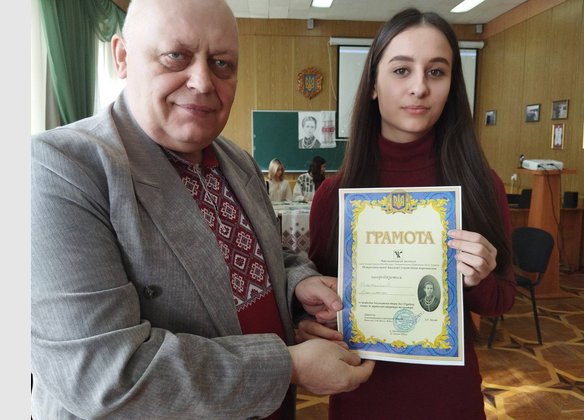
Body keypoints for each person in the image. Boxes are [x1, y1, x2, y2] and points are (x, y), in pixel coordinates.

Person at [30, 1, 374, 419]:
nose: (203, 81)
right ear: (122, 57)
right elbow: (105, 374)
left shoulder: (238, 160)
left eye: (222, 63)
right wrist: (289, 365)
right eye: (176, 56)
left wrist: (300, 284)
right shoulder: (63, 167)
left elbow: (266, 256)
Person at [300, 8, 516, 419]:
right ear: (373, 85)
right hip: (361, 395)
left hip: (449, 400)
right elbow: (319, 299)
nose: (419, 87)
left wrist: (479, 278)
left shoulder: (480, 184)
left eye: (436, 72)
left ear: (452, 86)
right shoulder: (335, 195)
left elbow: (502, 299)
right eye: (401, 70)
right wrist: (313, 319)